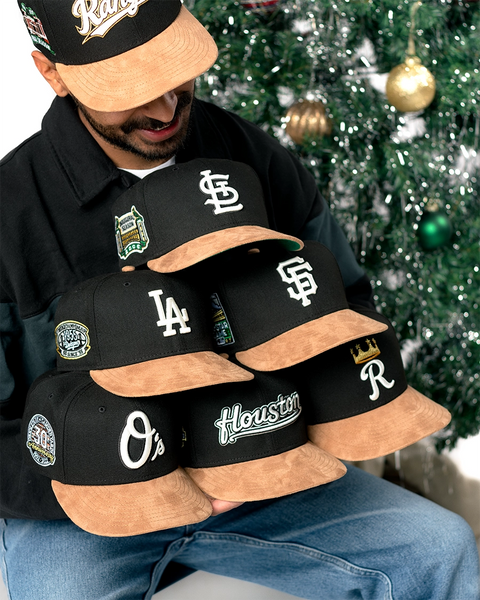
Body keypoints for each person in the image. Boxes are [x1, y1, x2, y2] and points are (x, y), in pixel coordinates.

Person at [0, 1, 479, 598]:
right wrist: (126, 478)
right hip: (82, 507)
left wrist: (272, 443)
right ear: (52, 73)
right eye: (130, 86)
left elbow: (348, 309)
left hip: (264, 473)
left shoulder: (254, 158)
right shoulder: (10, 212)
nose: (164, 107)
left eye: (171, 70)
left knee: (440, 547)